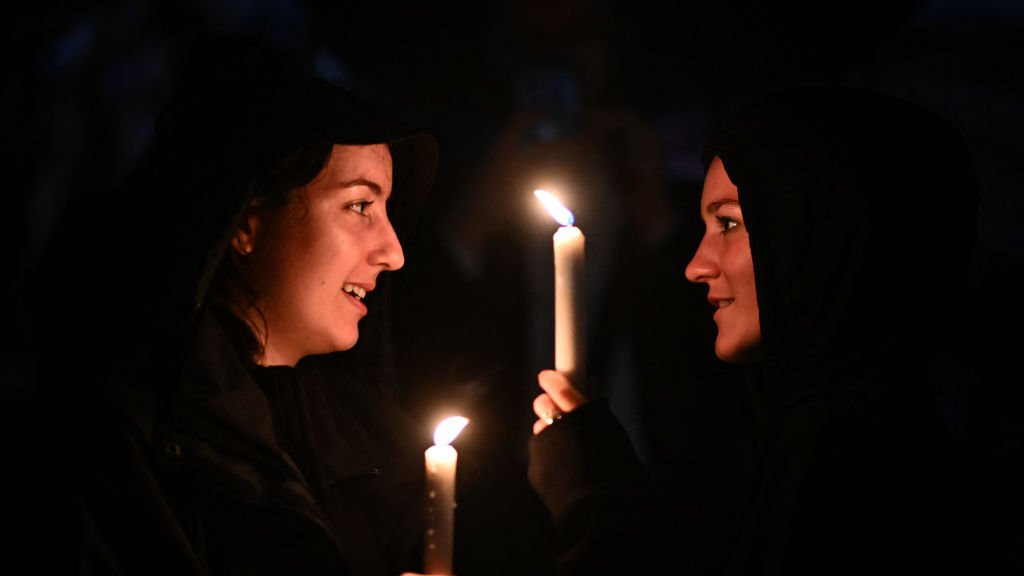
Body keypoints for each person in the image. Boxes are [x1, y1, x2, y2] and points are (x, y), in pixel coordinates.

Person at [527, 83, 992, 575]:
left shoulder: (845, 455)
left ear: (817, 232)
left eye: (727, 224)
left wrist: (595, 505)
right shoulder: (842, 423)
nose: (695, 266)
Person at [25, 37, 440, 575]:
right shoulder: (122, 449)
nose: (394, 253)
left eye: (386, 208)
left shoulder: (370, 442)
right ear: (246, 222)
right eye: (359, 205)